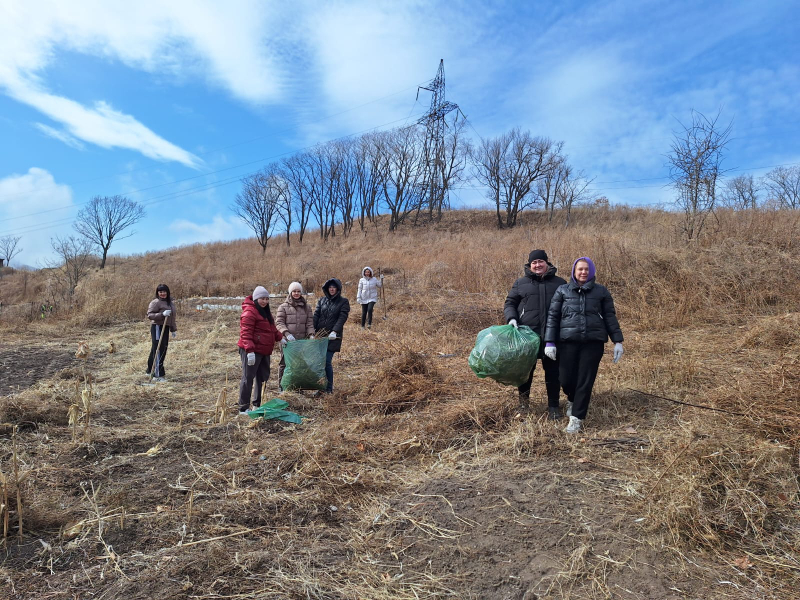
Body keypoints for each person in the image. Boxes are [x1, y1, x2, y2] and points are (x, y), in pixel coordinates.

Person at [544, 257, 624, 434]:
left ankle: (576, 419)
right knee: (566, 379)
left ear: (592, 271)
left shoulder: (601, 291)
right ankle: (572, 399)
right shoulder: (562, 290)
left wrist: (617, 341)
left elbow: (610, 316)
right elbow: (553, 317)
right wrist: (549, 341)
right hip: (567, 342)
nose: (583, 272)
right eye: (580, 269)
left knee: (585, 381)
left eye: (587, 269)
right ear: (574, 271)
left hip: (592, 343)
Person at [504, 250, 567, 419]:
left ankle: (553, 407)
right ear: (529, 265)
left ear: (547, 263)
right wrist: (512, 318)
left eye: (540, 261)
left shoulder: (560, 283)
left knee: (553, 372)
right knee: (525, 372)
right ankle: (523, 405)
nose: (537, 265)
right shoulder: (520, 283)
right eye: (534, 262)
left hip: (552, 336)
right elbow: (510, 303)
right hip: (527, 335)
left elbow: (568, 307)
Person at [237, 286, 283, 414]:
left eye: (267, 299)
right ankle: (243, 407)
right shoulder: (249, 312)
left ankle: (256, 404)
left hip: (264, 350)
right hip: (251, 350)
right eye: (262, 299)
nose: (265, 301)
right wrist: (250, 351)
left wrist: (280, 338)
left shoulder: (265, 312)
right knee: (248, 378)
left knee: (262, 377)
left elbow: (272, 328)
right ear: (256, 299)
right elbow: (245, 333)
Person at [313, 278, 350, 394]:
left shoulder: (343, 302)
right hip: (320, 336)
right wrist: (312, 331)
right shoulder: (321, 300)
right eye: (330, 287)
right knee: (319, 362)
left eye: (334, 287)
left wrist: (335, 331)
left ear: (338, 289)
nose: (332, 289)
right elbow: (316, 315)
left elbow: (342, 317)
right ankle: (321, 387)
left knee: (326, 361)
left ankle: (329, 388)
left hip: (333, 337)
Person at [275, 281, 315, 387]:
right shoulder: (283, 307)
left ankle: (296, 385)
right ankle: (282, 386)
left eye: (298, 291)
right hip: (287, 342)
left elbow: (309, 323)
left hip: (301, 341)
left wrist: (311, 334)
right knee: (284, 363)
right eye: (294, 291)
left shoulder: (307, 307)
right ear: (290, 292)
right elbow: (279, 323)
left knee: (299, 363)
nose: (296, 293)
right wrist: (287, 334)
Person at [146, 283, 177, 381]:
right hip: (157, 327)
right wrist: (161, 314)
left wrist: (173, 329)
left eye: (164, 291)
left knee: (160, 349)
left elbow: (172, 318)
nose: (162, 293)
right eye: (160, 292)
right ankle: (157, 375)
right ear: (157, 293)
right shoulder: (155, 302)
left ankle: (149, 370)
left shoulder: (170, 302)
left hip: (165, 328)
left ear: (167, 292)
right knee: (159, 349)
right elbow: (150, 315)